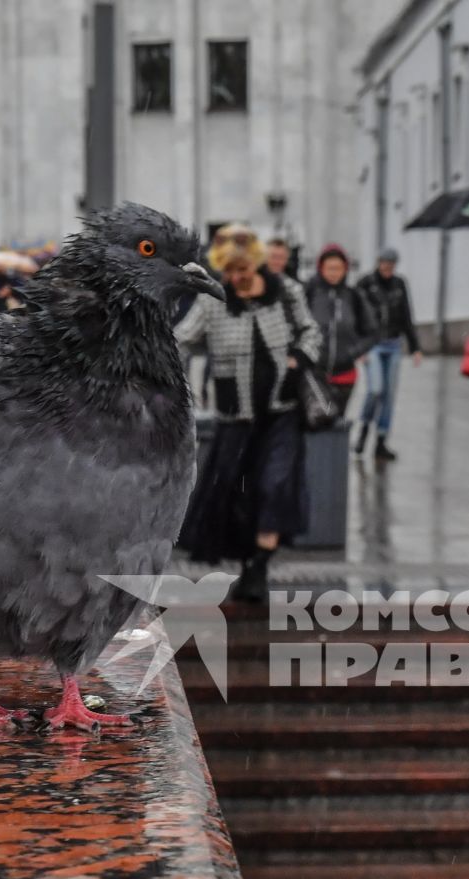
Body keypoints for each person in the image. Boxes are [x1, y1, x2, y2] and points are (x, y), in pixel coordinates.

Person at [177, 223, 321, 603]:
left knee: (274, 486)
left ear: (255, 264)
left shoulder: (286, 292)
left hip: (282, 413)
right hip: (235, 418)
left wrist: (299, 359)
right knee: (238, 497)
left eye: (243, 271)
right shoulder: (213, 301)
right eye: (230, 272)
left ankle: (258, 567)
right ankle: (246, 563)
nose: (236, 278)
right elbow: (182, 341)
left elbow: (311, 332)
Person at [303, 244, 381, 454]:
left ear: (345, 269)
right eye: (330, 268)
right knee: (317, 420)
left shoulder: (353, 296)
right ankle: (312, 472)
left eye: (338, 268)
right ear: (321, 268)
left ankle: (330, 473)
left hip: (345, 377)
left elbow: (373, 332)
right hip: (315, 376)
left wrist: (354, 352)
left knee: (336, 424)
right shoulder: (309, 293)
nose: (334, 273)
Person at [354, 248, 424, 455]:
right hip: (373, 345)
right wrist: (359, 346)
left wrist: (415, 347)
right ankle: (363, 431)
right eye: (385, 263)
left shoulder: (399, 284)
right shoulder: (365, 283)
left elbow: (407, 316)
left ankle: (381, 441)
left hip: (394, 344)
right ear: (378, 262)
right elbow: (356, 315)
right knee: (375, 389)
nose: (388, 267)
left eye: (391, 264)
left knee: (389, 395)